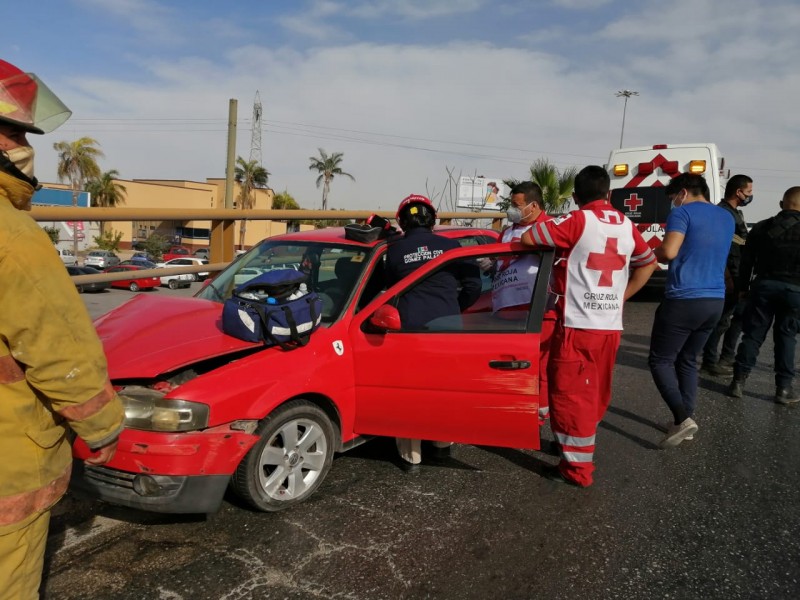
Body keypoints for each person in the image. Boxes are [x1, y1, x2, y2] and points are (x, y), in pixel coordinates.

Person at [0, 59, 125, 599]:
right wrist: (103, 426)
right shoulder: (13, 236)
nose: (22, 144)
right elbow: (60, 350)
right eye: (13, 131)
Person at [521, 166, 657, 486]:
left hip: (578, 325)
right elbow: (648, 262)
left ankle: (577, 470)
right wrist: (621, 296)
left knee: (571, 397)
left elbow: (530, 236)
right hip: (610, 326)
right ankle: (571, 445)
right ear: (609, 194)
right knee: (593, 393)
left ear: (576, 197)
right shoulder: (626, 224)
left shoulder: (578, 220)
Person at [385, 194, 481, 468]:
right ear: (434, 220)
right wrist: (453, 310)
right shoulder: (452, 246)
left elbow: (387, 290)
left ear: (402, 221)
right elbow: (474, 287)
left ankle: (411, 456)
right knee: (444, 388)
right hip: (447, 329)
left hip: (408, 330)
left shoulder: (394, 251)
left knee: (409, 391)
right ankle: (441, 446)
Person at [647, 173, 734, 448]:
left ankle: (683, 418)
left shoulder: (683, 213)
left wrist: (649, 253)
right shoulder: (726, 217)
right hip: (715, 301)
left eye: (673, 197)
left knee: (660, 360)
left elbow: (669, 252)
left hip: (684, 299)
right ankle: (684, 422)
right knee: (687, 360)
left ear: (682, 193)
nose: (674, 202)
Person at [479, 181, 554, 424]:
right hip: (505, 309)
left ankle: (540, 418)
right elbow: (500, 258)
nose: (512, 210)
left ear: (533, 206)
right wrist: (490, 263)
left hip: (536, 310)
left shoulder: (549, 227)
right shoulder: (509, 230)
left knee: (539, 369)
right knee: (509, 367)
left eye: (516, 205)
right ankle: (513, 417)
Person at [726, 187, 800, 404]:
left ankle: (738, 381)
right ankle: (783, 390)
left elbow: (746, 262)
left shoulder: (761, 227)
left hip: (763, 287)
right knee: (787, 338)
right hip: (795, 291)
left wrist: (742, 288)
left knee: (753, 335)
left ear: (781, 204)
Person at [701, 174, 754, 375]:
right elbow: (725, 250)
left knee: (736, 318)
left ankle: (726, 357)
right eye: (748, 192)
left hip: (737, 274)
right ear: (738, 192)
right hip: (728, 276)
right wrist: (730, 279)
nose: (750, 195)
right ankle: (711, 360)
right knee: (721, 321)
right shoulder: (722, 214)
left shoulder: (733, 213)